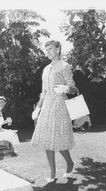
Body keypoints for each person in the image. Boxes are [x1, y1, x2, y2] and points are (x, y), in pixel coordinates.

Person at [31, 40, 76, 183]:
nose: (48, 51)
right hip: (47, 106)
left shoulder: (65, 66)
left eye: (50, 48)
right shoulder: (45, 69)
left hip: (60, 105)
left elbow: (74, 88)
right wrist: (38, 108)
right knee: (46, 140)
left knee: (58, 139)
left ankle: (70, 163)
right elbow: (43, 92)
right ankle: (52, 173)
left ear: (58, 49)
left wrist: (66, 89)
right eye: (46, 49)